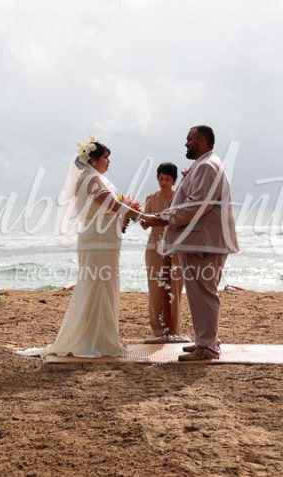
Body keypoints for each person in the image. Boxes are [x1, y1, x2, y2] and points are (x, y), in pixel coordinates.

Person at [17, 137, 141, 358]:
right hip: (99, 240)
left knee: (98, 284)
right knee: (98, 285)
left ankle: (100, 335)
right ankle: (96, 339)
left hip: (98, 238)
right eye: (105, 157)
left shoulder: (86, 179)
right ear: (92, 159)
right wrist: (140, 214)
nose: (109, 162)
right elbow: (111, 205)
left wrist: (125, 213)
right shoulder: (92, 180)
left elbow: (103, 209)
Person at [141, 125, 239, 361]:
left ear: (203, 141)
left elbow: (196, 205)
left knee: (204, 293)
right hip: (199, 240)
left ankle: (207, 347)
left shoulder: (207, 165)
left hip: (203, 241)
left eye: (189, 139)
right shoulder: (204, 164)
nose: (186, 143)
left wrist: (162, 218)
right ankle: (204, 341)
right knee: (198, 293)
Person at [140, 162, 187, 343]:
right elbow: (144, 224)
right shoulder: (151, 198)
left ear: (173, 180)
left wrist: (162, 221)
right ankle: (157, 330)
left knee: (175, 287)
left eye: (167, 179)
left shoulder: (180, 198)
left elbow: (183, 222)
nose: (163, 182)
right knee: (155, 287)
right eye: (161, 178)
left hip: (175, 248)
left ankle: (173, 329)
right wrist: (142, 218)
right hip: (154, 249)